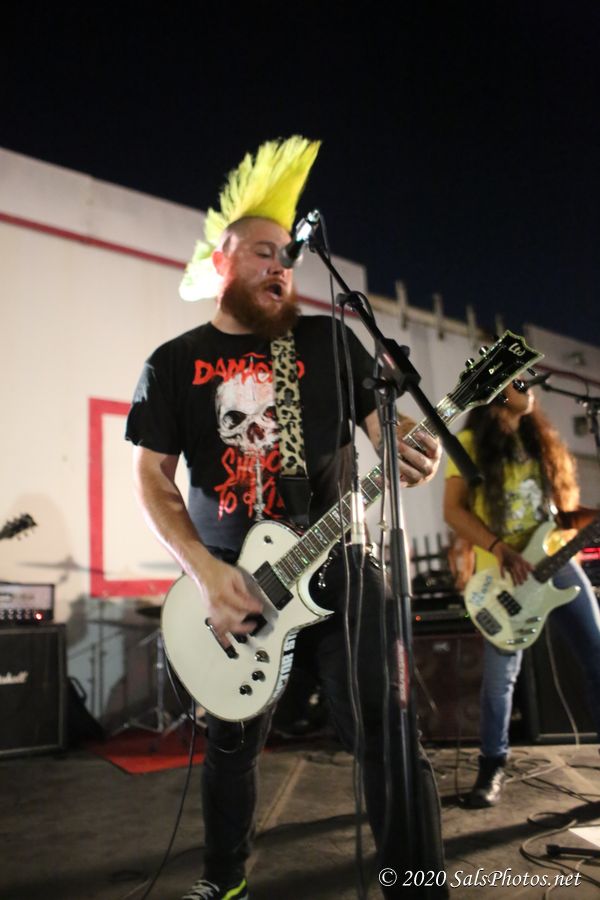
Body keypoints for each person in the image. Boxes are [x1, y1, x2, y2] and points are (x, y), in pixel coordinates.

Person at [126, 136, 447, 900]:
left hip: (340, 563)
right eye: (264, 253)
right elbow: (151, 478)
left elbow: (386, 430)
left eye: (289, 257)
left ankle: (417, 883)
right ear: (222, 261)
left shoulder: (327, 341)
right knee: (231, 747)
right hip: (232, 584)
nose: (282, 267)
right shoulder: (173, 362)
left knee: (385, 727)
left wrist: (411, 445)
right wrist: (205, 574)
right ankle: (224, 877)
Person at [443, 380, 600, 807]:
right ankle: (491, 766)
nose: (529, 386)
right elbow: (453, 510)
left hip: (556, 562)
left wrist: (591, 518)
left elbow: (559, 516)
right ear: (496, 390)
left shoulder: (539, 442)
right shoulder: (469, 443)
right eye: (518, 380)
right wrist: (499, 548)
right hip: (502, 575)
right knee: (500, 681)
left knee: (596, 657)